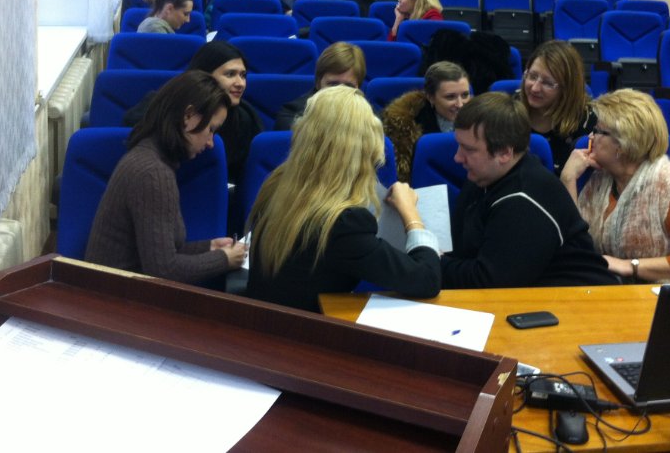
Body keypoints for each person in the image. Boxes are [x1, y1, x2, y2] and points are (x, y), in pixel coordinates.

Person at [246, 86, 441, 312]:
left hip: (263, 320)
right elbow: (426, 280)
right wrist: (411, 215)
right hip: (307, 328)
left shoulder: (277, 184)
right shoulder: (342, 223)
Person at [85, 71, 247, 286]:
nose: (210, 142)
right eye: (211, 130)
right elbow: (164, 270)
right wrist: (224, 259)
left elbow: (159, 253)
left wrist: (209, 248)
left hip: (115, 291)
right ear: (188, 116)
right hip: (116, 299)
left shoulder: (147, 157)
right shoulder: (153, 175)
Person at [441, 92, 617, 289]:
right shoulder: (483, 177)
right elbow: (462, 251)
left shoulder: (523, 201)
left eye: (469, 149)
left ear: (505, 153)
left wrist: (433, 264)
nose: (457, 157)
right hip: (538, 297)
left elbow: (488, 282)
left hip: (582, 300)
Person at [560, 89, 670, 283]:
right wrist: (568, 179)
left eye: (597, 131)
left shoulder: (669, 188)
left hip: (656, 293)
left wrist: (630, 266)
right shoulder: (598, 178)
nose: (590, 137)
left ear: (622, 145)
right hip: (603, 286)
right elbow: (575, 246)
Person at [123, 40, 264, 195]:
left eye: (243, 75)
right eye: (230, 74)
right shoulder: (159, 108)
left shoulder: (246, 118)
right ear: (204, 75)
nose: (240, 83)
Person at [382, 61, 471, 183]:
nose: (460, 104)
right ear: (431, 97)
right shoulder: (404, 127)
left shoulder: (481, 121)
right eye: (450, 97)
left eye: (465, 95)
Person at [517, 40, 596, 175]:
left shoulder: (587, 121)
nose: (535, 88)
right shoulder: (509, 110)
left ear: (567, 88)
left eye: (548, 83)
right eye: (532, 76)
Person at [273, 41, 366, 130]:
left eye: (348, 86)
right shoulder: (291, 116)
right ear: (318, 83)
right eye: (333, 85)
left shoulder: (368, 118)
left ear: (358, 88)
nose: (340, 92)